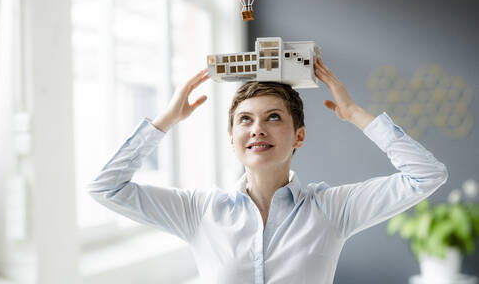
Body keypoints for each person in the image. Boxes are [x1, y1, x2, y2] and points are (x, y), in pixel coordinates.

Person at [87, 56, 448, 284]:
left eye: (273, 117)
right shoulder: (199, 211)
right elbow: (105, 188)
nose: (257, 128)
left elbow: (427, 175)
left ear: (299, 136)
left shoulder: (333, 208)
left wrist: (355, 113)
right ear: (233, 139)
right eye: (245, 120)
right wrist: (165, 120)